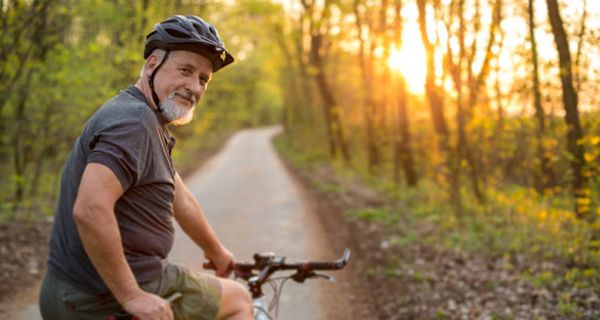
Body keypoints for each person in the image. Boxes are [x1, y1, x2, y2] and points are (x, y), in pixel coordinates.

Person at [39, 15, 253, 320]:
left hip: (77, 291)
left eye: (203, 79)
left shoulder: (146, 121)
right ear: (152, 64)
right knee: (239, 300)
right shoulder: (134, 122)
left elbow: (182, 199)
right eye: (185, 70)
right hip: (96, 299)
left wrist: (216, 251)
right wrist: (132, 296)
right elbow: (90, 209)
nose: (194, 86)